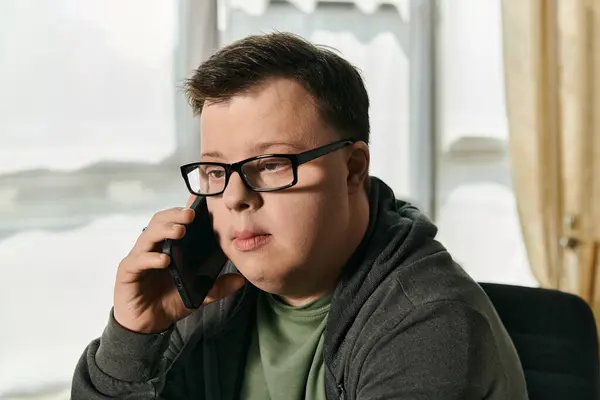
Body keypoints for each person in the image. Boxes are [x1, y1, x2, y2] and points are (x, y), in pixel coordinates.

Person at [71, 32, 528, 400]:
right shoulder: (206, 289)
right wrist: (133, 337)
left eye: (270, 165)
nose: (234, 198)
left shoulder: (429, 323)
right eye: (215, 170)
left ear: (352, 168)